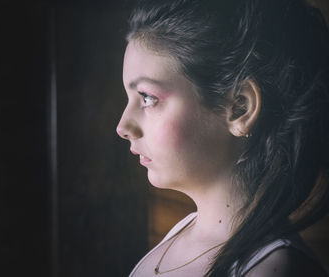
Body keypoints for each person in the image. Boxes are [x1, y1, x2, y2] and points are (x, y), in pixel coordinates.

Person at [115, 0, 329, 276]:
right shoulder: (179, 236)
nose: (123, 126)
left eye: (147, 97)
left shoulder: (273, 270)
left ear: (240, 108)